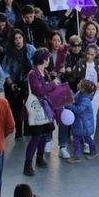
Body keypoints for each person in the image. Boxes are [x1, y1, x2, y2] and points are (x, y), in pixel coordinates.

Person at [23, 49, 58, 177]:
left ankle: (40, 158)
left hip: (45, 108)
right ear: (44, 59)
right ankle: (27, 164)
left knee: (44, 134)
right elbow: (39, 90)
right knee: (36, 137)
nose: (49, 60)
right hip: (37, 109)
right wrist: (52, 85)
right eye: (48, 58)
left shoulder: (45, 72)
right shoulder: (33, 74)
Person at [64, 79, 99, 163]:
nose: (78, 84)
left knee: (82, 139)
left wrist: (68, 105)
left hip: (83, 124)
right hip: (81, 123)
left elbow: (79, 109)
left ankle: (80, 155)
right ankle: (83, 154)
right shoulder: (81, 94)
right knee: (82, 138)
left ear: (83, 88)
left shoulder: (85, 100)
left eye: (80, 83)